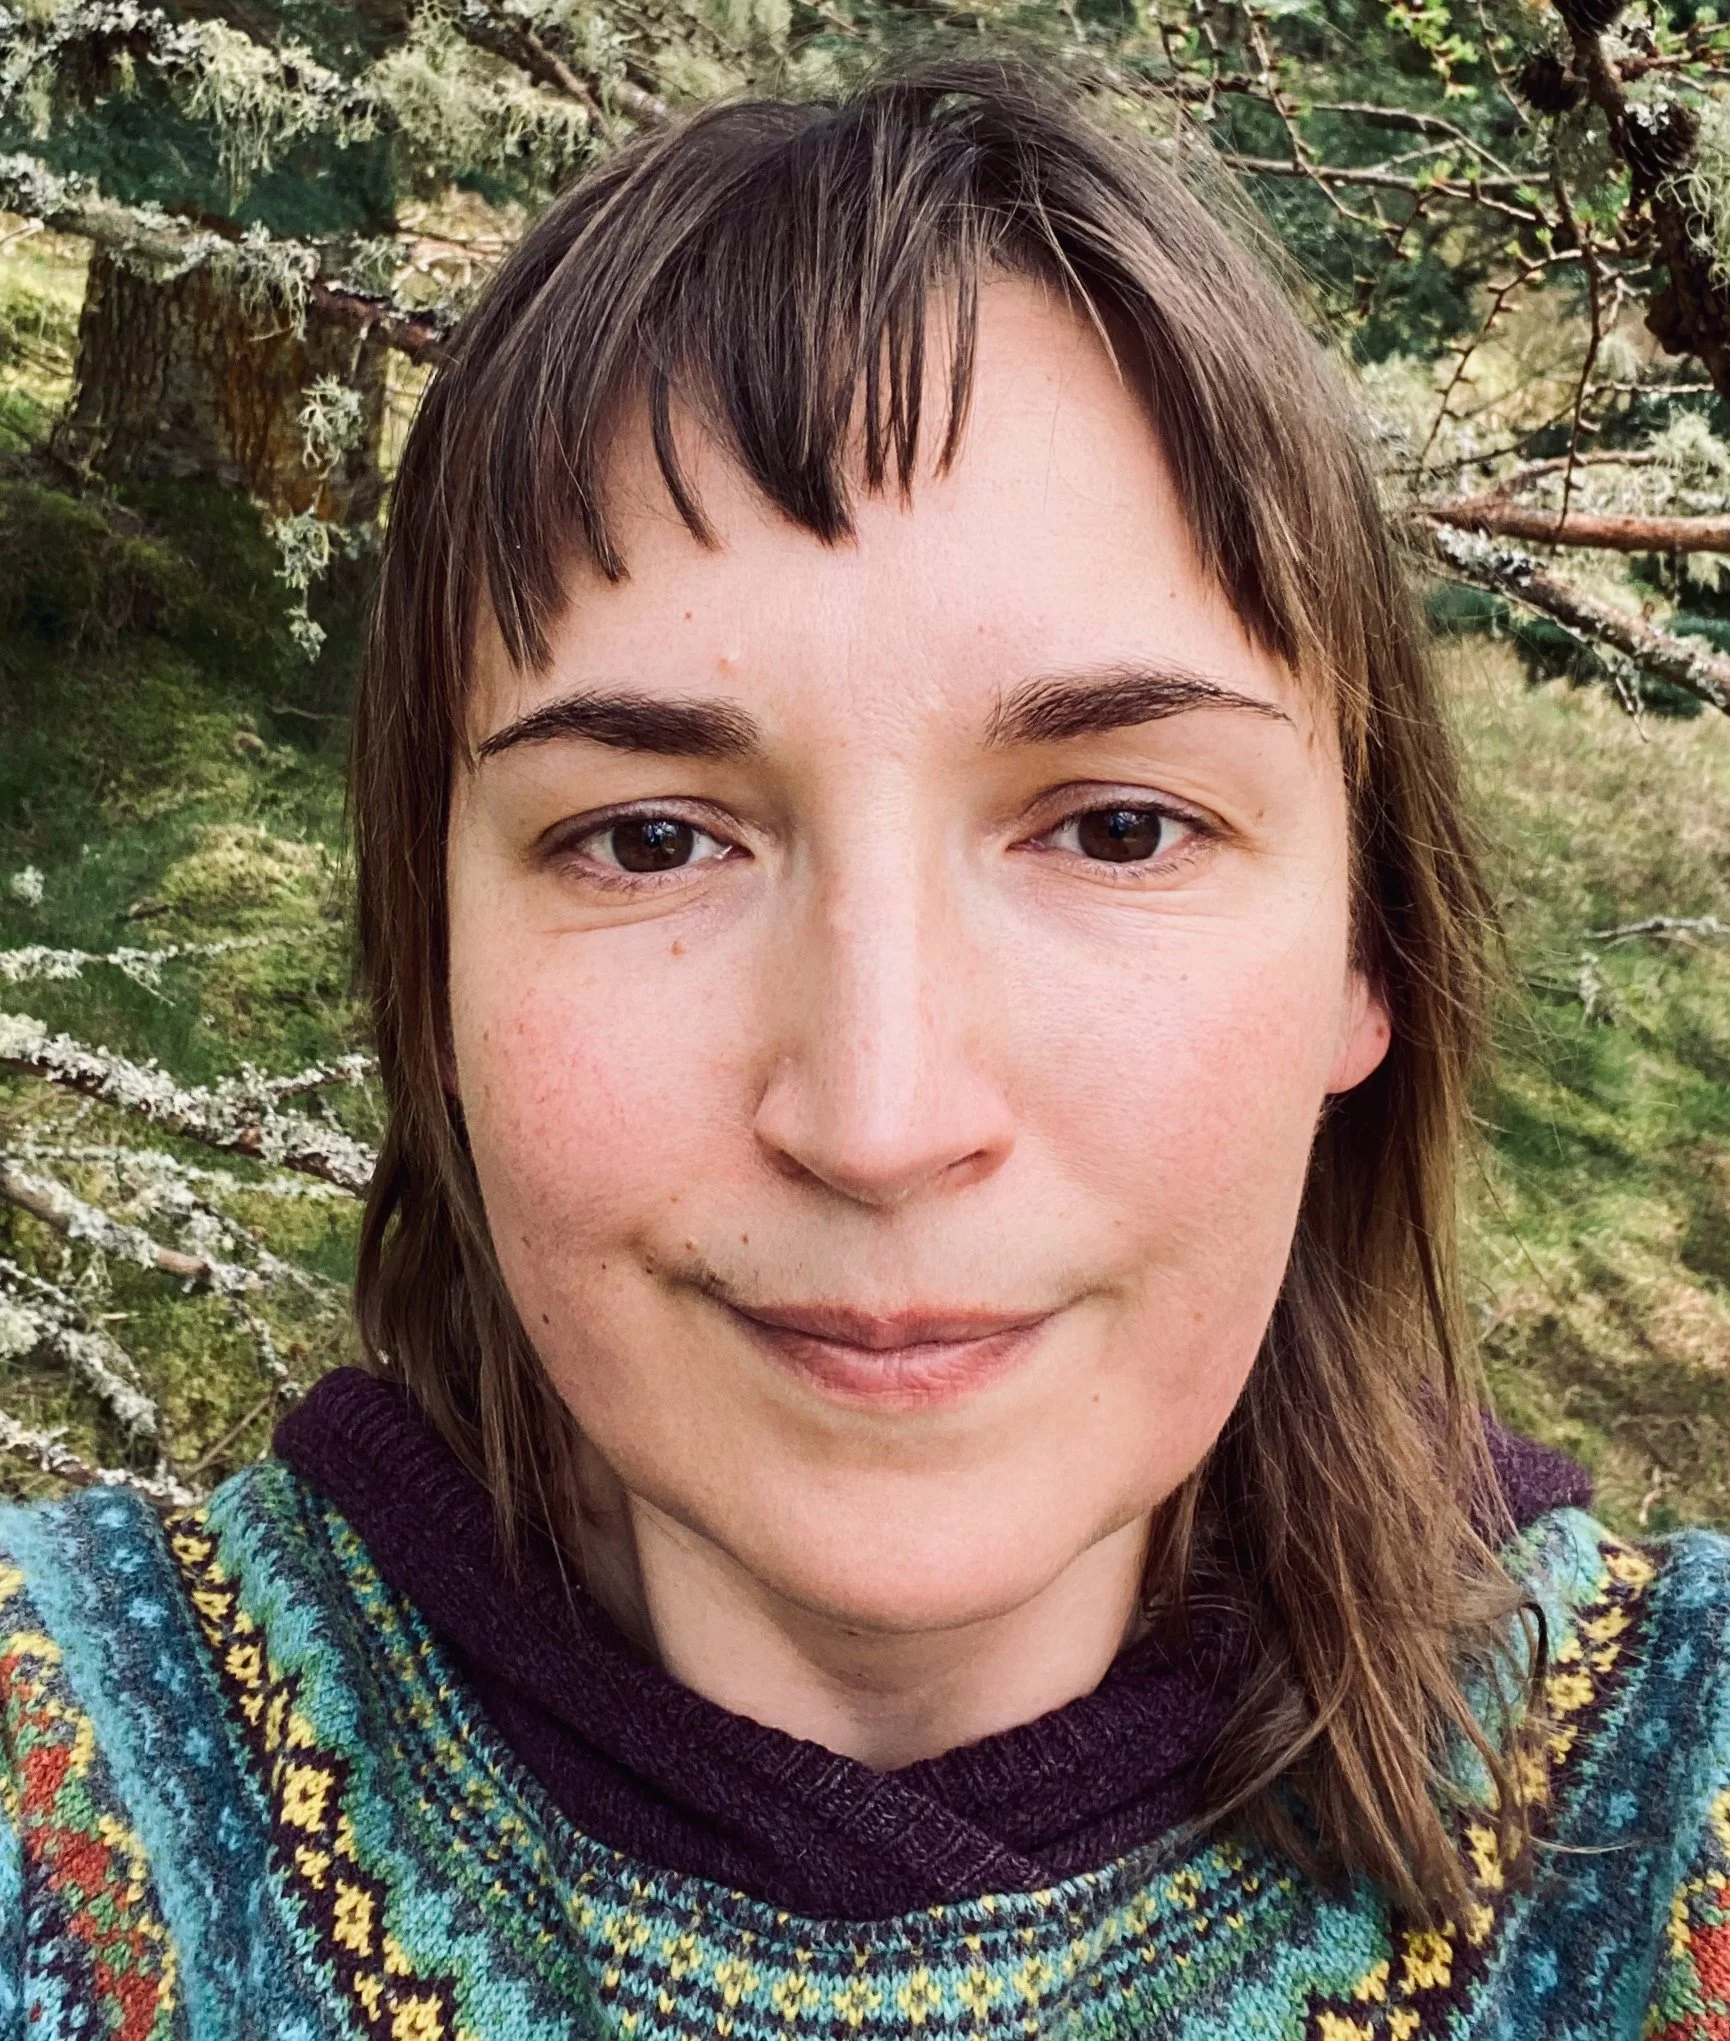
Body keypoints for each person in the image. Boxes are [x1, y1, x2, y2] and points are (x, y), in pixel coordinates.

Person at [1, 59, 1725, 2041]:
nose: (881, 1119)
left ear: (1369, 955)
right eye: (648, 840)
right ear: (435, 981)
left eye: (1117, 826)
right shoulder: (73, 1785)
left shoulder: (1669, 1821)